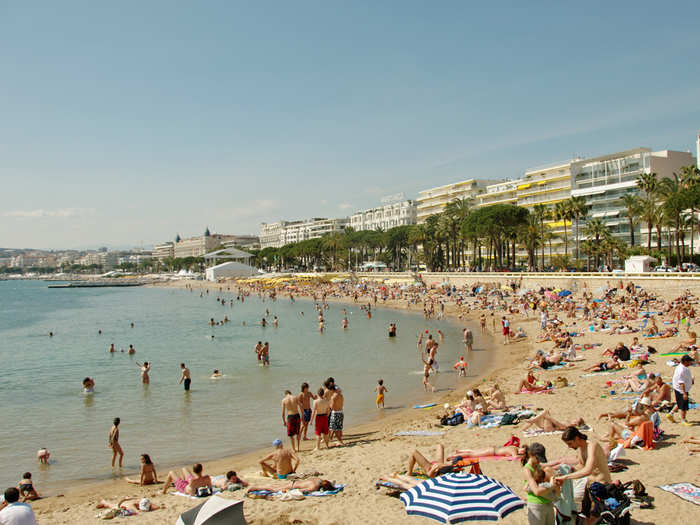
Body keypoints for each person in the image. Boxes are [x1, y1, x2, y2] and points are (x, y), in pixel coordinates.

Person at [553, 427, 611, 523]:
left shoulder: (592, 446)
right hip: (589, 486)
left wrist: (566, 477)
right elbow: (581, 466)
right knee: (586, 515)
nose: (569, 446)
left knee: (594, 518)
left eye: (570, 443)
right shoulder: (580, 449)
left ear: (576, 438)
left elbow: (588, 470)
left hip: (601, 485)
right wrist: (568, 470)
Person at [522, 443, 559, 525]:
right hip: (536, 506)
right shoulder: (527, 469)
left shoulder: (538, 466)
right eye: (537, 458)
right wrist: (552, 486)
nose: (539, 461)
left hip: (548, 503)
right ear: (531, 455)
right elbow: (537, 491)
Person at [671, 354, 694, 425]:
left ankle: (671, 413)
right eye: (689, 362)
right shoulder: (681, 369)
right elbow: (681, 382)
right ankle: (683, 420)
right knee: (684, 405)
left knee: (679, 402)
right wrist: (684, 393)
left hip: (678, 387)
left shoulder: (681, 367)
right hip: (681, 389)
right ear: (686, 362)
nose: (691, 363)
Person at [520, 409, 585, 433]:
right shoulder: (569, 423)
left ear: (576, 423)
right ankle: (523, 429)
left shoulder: (570, 426)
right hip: (549, 426)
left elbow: (561, 426)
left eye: (576, 419)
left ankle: (533, 420)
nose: (575, 419)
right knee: (535, 418)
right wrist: (549, 418)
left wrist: (550, 418)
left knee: (545, 412)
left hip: (550, 429)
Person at [246, 477, 335, 494]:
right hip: (292, 486)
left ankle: (259, 486)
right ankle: (255, 488)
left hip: (295, 482)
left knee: (276, 486)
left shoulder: (319, 479)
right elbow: (300, 491)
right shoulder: (314, 487)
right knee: (274, 489)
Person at [96, 497, 163, 515]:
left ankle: (103, 501)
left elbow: (157, 507)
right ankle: (102, 501)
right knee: (109, 505)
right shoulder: (132, 505)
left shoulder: (141, 500)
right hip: (121, 505)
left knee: (110, 504)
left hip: (125, 502)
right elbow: (138, 512)